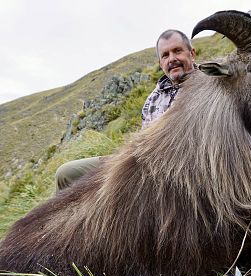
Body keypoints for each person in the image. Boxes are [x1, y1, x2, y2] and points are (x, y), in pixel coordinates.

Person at [55, 29, 196, 192]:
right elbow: (143, 140)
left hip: (169, 172)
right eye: (165, 55)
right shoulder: (154, 97)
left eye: (177, 51)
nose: (172, 59)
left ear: (192, 54)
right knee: (65, 174)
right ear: (160, 63)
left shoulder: (209, 89)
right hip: (136, 162)